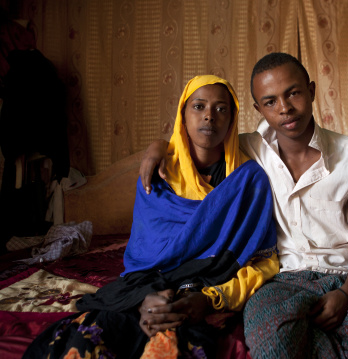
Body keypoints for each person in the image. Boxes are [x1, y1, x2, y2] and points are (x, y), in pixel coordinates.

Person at [140, 53, 348, 358]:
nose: (284, 108)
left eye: (293, 93)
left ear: (311, 90)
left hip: (347, 279)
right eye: (270, 102)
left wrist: (346, 294)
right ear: (259, 109)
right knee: (274, 350)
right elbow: (198, 139)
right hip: (277, 283)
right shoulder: (247, 151)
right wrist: (159, 147)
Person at [23, 75, 279, 359]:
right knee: (88, 339)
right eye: (199, 106)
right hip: (144, 285)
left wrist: (210, 299)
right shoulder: (157, 175)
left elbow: (263, 262)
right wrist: (145, 297)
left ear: (233, 120)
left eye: (221, 109)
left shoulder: (249, 182)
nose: (209, 116)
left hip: (203, 291)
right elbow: (144, 258)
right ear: (182, 116)